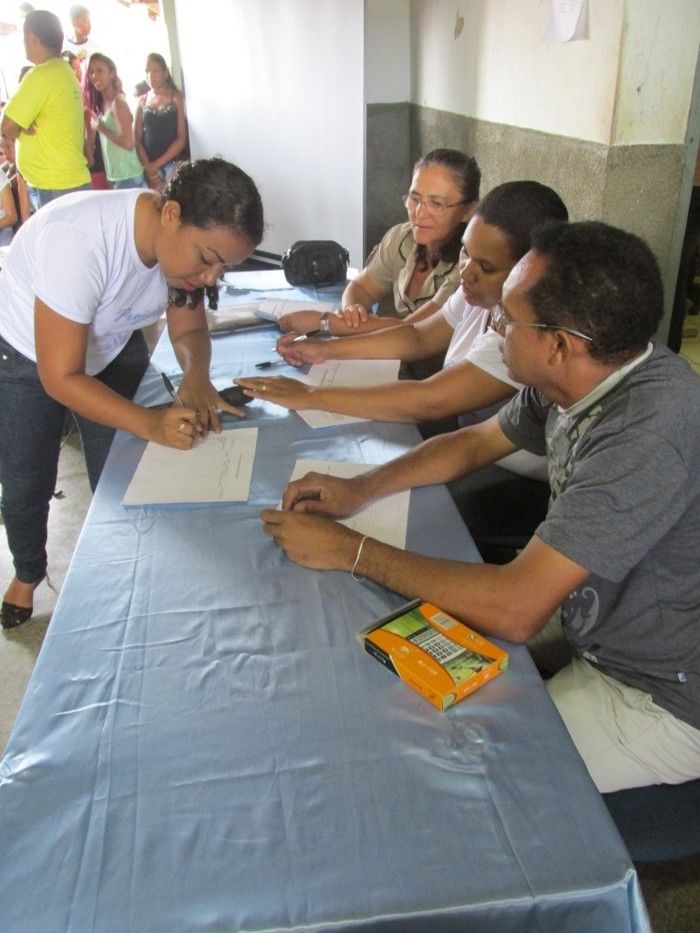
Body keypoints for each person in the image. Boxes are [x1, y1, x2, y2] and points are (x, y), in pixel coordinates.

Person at [260, 220, 700, 794]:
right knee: (385, 666)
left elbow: (517, 605)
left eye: (508, 319)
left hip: (660, 689)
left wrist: (352, 550)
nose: (493, 324)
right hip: (592, 621)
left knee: (453, 774)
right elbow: (472, 443)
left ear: (560, 344)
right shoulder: (578, 375)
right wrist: (360, 489)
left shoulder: (646, 433)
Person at [237, 182, 569, 559]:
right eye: (465, 253)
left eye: (486, 267)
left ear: (528, 273)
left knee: (409, 519)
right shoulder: (478, 291)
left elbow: (430, 401)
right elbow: (415, 337)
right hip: (476, 442)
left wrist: (312, 396)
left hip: (513, 477)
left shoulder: (523, 339)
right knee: (376, 477)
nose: (466, 273)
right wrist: (324, 347)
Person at [0, 157, 264, 629]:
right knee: (26, 474)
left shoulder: (179, 256)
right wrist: (149, 421)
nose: (210, 278)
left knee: (125, 466)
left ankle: (122, 565)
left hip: (109, 340)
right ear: (171, 214)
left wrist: (196, 377)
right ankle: (27, 574)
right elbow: (60, 377)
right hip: (26, 353)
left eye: (223, 268)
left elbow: (188, 332)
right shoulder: (79, 241)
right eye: (207, 260)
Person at [278, 149, 480, 337]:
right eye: (415, 198)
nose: (419, 213)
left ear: (468, 211)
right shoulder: (402, 238)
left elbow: (413, 332)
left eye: (437, 204)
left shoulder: (469, 267)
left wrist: (325, 322)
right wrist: (353, 311)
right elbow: (361, 287)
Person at [0, 9, 90, 211]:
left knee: (60, 243)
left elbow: (7, 126)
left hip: (55, 186)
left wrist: (21, 126)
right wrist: (24, 122)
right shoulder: (64, 72)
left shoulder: (41, 74)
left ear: (31, 37)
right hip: (66, 180)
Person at [87, 53, 144, 189]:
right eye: (91, 72)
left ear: (112, 73)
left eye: (100, 71)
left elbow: (128, 143)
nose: (94, 76)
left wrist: (102, 128)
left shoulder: (118, 103)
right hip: (116, 175)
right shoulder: (103, 103)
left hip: (128, 175)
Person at [134, 53, 188, 193]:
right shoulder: (142, 101)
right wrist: (150, 170)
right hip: (149, 170)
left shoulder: (176, 97)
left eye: (156, 71)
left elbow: (181, 139)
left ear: (166, 73)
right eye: (147, 71)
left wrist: (155, 165)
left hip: (174, 166)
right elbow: (137, 141)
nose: (151, 75)